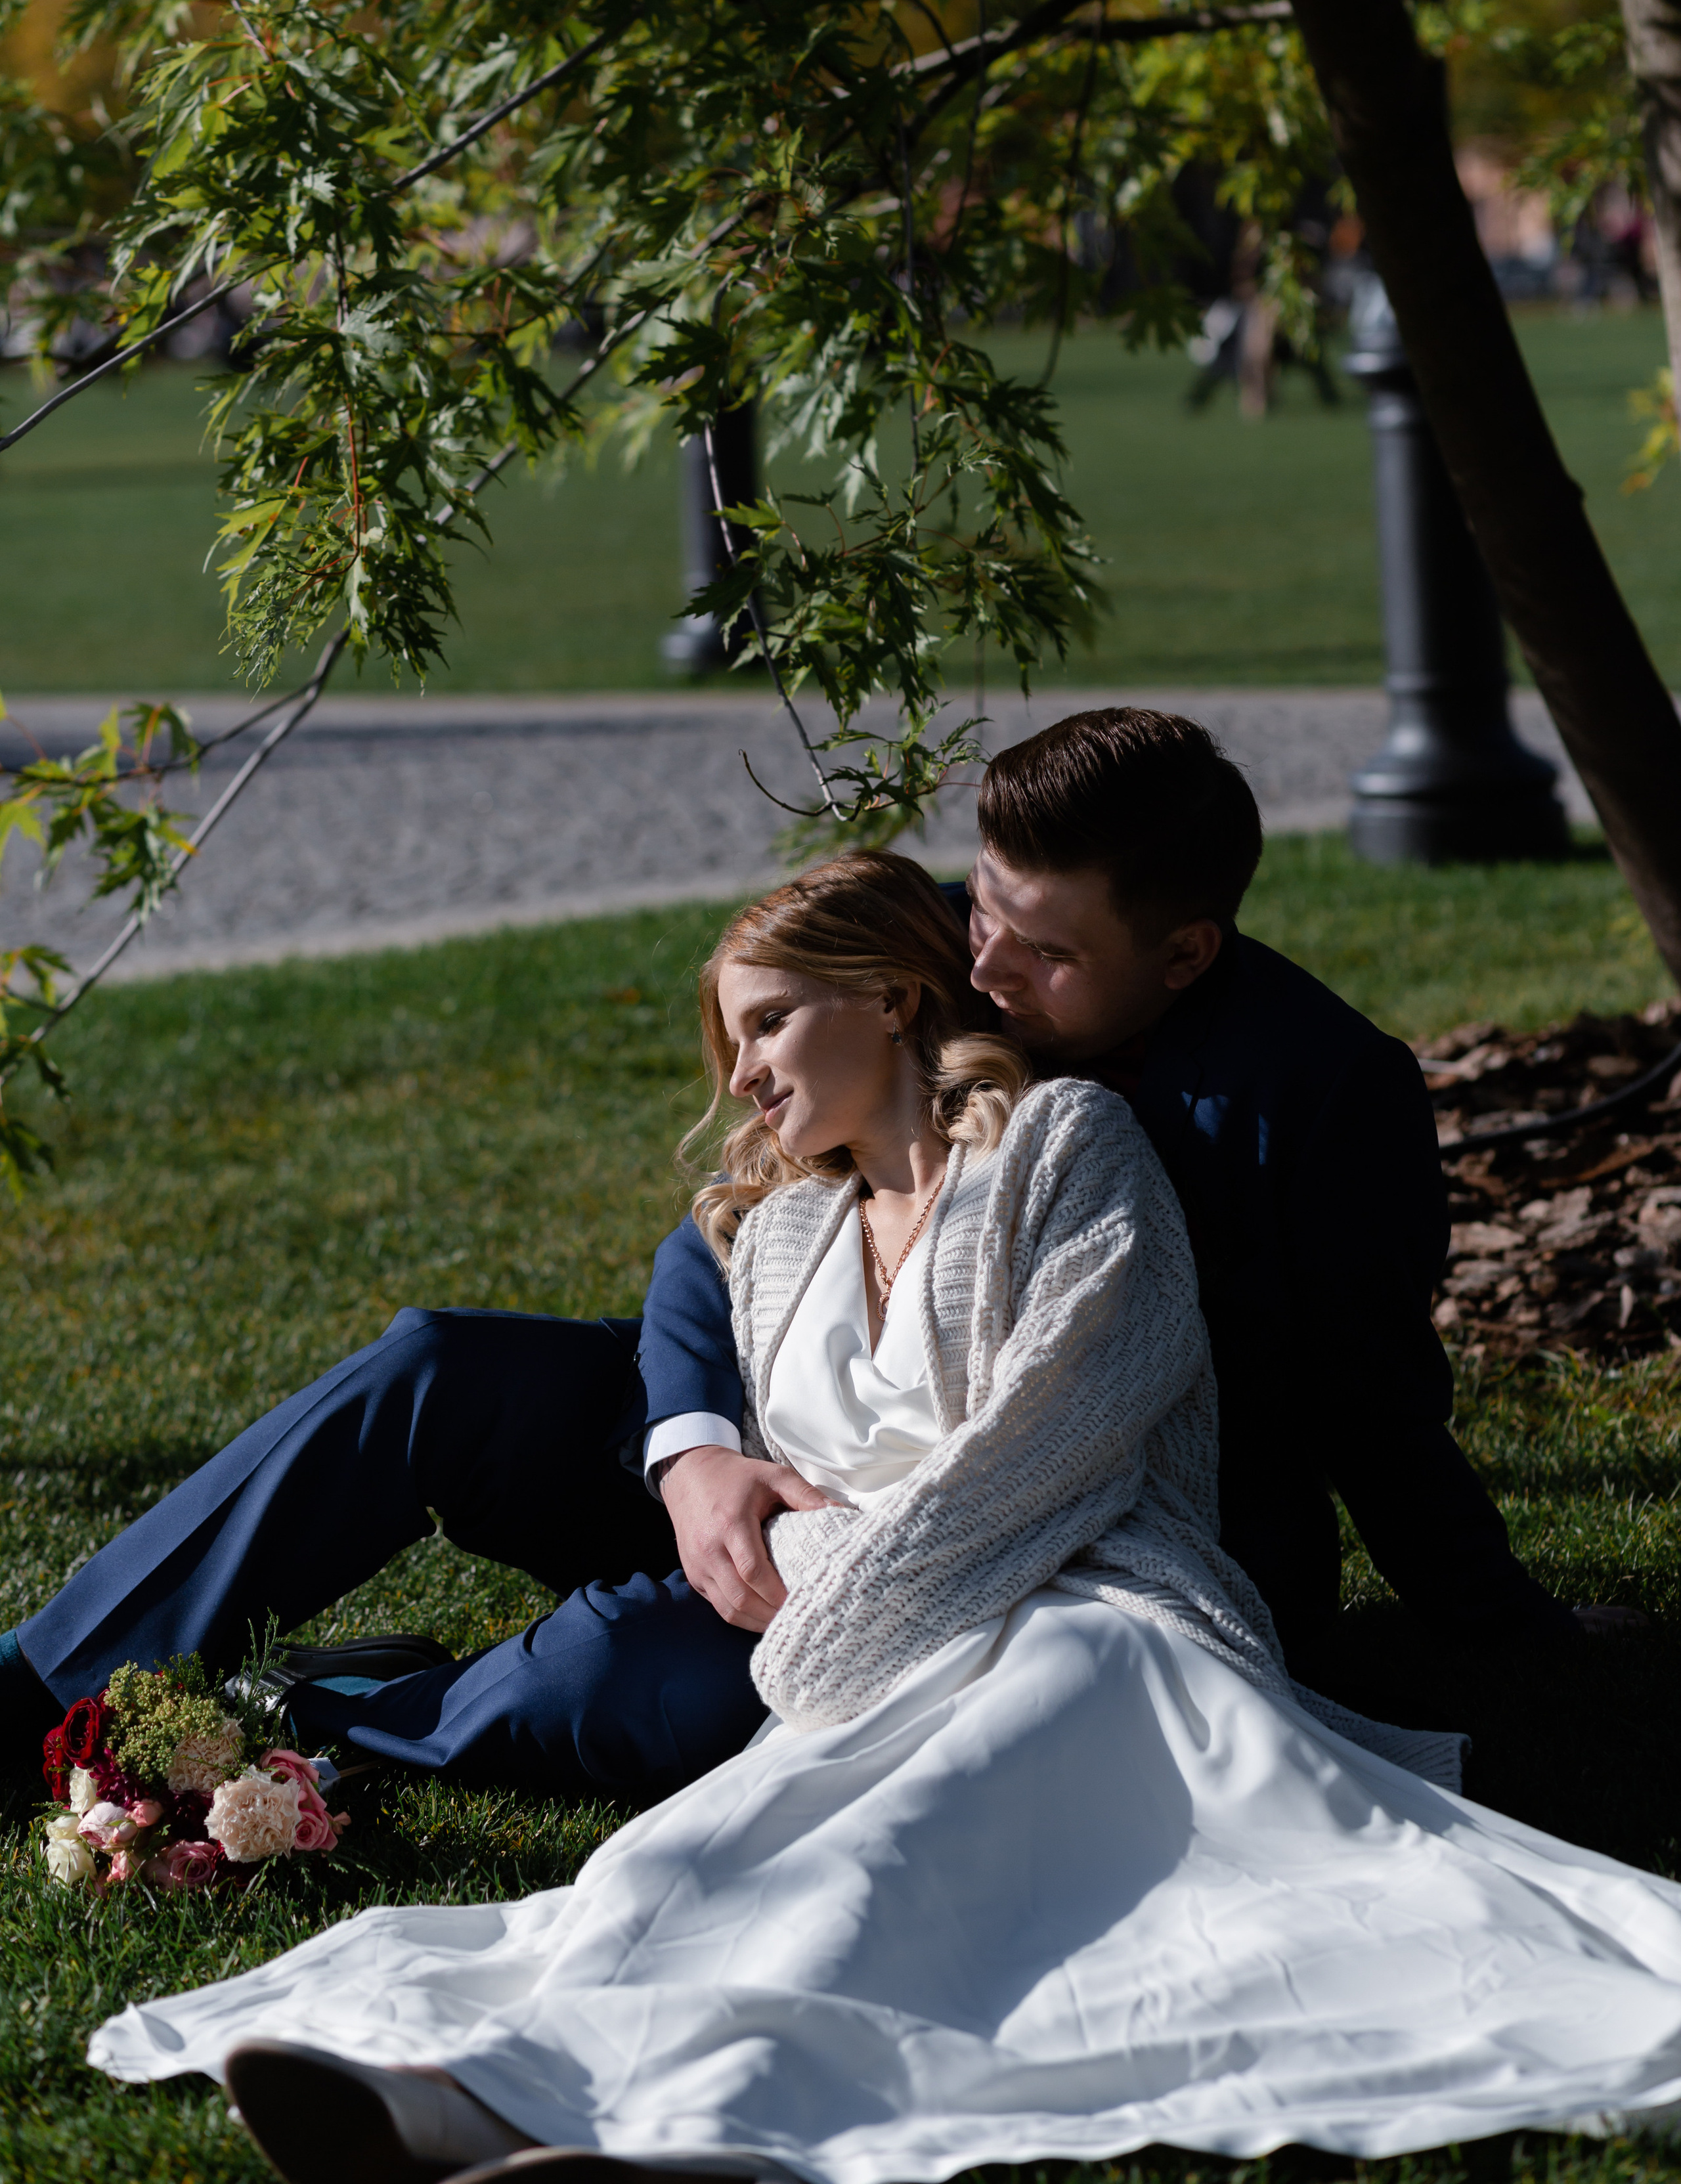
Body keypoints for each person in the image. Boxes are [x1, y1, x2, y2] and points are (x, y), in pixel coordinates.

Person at [89, 852, 1681, 2184]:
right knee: (691, 1875)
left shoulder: (1066, 1148)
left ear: (897, 997)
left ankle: (616, 2117)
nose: (750, 1075)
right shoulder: (781, 1233)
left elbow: (1057, 1436)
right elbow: (695, 1320)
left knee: (876, 1855)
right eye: (735, 1047)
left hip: (1074, 1603)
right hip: (854, 1629)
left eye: (773, 1023)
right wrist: (715, 1480)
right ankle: (479, 2085)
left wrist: (823, 1612)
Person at [0, 710, 1584, 1801]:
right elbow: (724, 1234)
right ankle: (28, 1696)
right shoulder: (957, 975)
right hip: (789, 1447)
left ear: (1179, 953)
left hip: (1040, 1551)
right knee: (441, 1369)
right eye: (983, 906)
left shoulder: (1312, 1092)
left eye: (1041, 946)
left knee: (636, 1671)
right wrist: (692, 1451)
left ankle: (324, 1726)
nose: (986, 961)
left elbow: (1374, 1394)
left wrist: (1501, 1626)